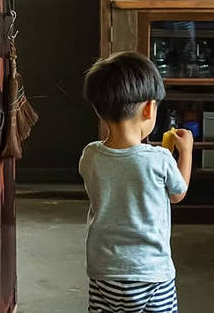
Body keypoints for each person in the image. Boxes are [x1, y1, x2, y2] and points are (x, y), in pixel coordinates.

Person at [79, 51, 193, 313]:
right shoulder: (160, 159)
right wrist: (185, 152)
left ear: (98, 108)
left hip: (103, 272)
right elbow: (178, 193)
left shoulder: (90, 155)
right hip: (151, 272)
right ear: (149, 108)